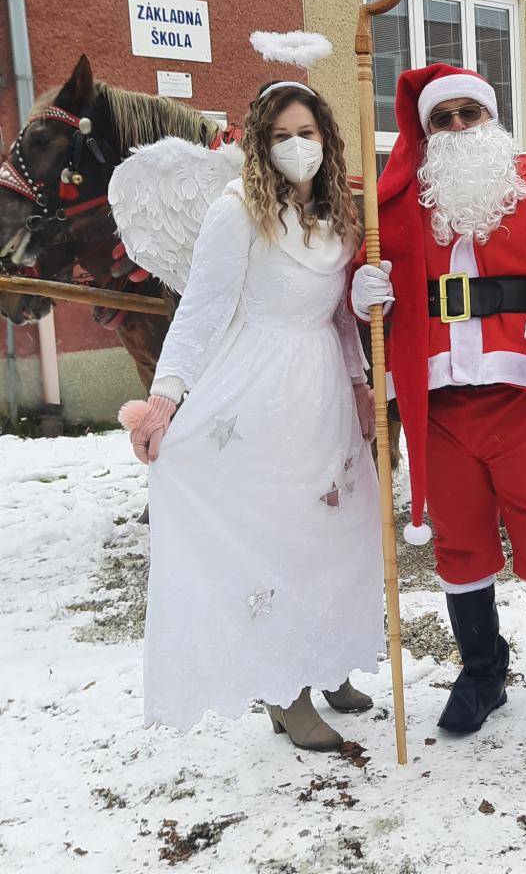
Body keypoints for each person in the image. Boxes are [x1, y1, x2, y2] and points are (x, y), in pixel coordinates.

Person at [352, 64, 526, 743]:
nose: (459, 126)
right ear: (427, 131)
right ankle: (481, 671)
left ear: (493, 118)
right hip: (438, 406)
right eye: (443, 118)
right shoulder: (399, 201)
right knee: (459, 540)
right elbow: (369, 275)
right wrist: (364, 290)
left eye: (471, 113)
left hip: (525, 396)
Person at [126, 81, 383, 751]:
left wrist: (360, 382)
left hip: (324, 387)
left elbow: (337, 316)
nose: (296, 146)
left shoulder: (338, 213)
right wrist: (165, 398)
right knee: (282, 536)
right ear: (261, 143)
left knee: (333, 530)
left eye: (307, 133)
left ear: (326, 139)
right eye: (281, 135)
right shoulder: (237, 209)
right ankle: (284, 690)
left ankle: (328, 660)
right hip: (261, 387)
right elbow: (202, 309)